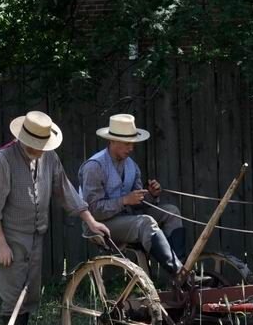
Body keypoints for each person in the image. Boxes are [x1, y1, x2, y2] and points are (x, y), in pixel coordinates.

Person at [0, 110, 109, 325]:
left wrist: (91, 221)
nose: (40, 149)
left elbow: (66, 191)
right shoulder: (2, 161)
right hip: (10, 236)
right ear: (23, 139)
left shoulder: (49, 157)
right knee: (13, 294)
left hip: (36, 235)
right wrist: (1, 243)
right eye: (36, 145)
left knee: (28, 295)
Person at [78, 114, 193, 282]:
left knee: (171, 212)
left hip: (127, 219)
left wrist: (150, 195)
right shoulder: (94, 167)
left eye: (132, 143)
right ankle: (179, 274)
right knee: (146, 222)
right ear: (112, 141)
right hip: (100, 226)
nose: (131, 148)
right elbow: (93, 211)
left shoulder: (132, 166)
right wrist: (124, 200)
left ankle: (180, 269)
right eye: (127, 143)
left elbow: (138, 203)